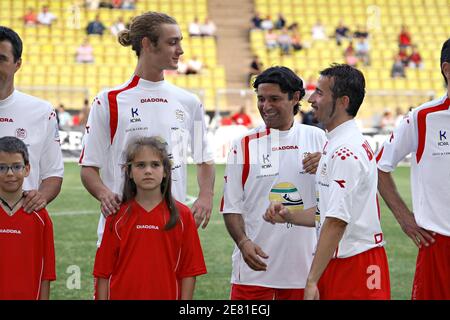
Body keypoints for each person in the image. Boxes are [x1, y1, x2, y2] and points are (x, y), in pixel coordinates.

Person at [79, 12, 215, 253]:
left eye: (180, 41)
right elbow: (89, 167)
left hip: (173, 227)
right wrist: (104, 194)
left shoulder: (189, 102)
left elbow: (204, 159)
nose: (181, 50)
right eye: (172, 42)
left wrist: (205, 196)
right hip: (121, 227)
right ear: (146, 44)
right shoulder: (109, 100)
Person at [265, 64, 390, 300]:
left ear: (343, 102)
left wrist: (311, 279)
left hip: (353, 264)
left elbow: (336, 221)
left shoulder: (344, 151)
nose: (311, 99)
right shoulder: (334, 144)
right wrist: (289, 215)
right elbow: (328, 211)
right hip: (343, 259)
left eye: (320, 92)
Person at [220, 66, 325, 300]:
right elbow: (231, 207)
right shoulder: (243, 145)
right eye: (261, 99)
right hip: (254, 271)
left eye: (274, 99)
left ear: (295, 98)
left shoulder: (320, 140)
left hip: (305, 273)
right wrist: (243, 242)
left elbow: (336, 200)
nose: (265, 106)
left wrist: (328, 166)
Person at [376, 38, 450, 300]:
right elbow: (380, 167)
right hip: (439, 244)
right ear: (447, 69)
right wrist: (404, 218)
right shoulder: (422, 118)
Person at [93, 137, 206, 299]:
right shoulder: (117, 216)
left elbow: (189, 271)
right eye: (140, 165)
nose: (148, 171)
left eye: (155, 165)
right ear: (129, 172)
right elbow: (102, 273)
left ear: (166, 171)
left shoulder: (182, 216)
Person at [0, 26, 63, 213]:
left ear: (17, 64)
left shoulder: (41, 111)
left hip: (21, 223)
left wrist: (40, 196)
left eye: (1, 59)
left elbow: (53, 173)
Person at [0, 137, 56, 299]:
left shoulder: (40, 216)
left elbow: (47, 273)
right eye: (2, 167)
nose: (10, 173)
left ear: (27, 169)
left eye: (17, 166)